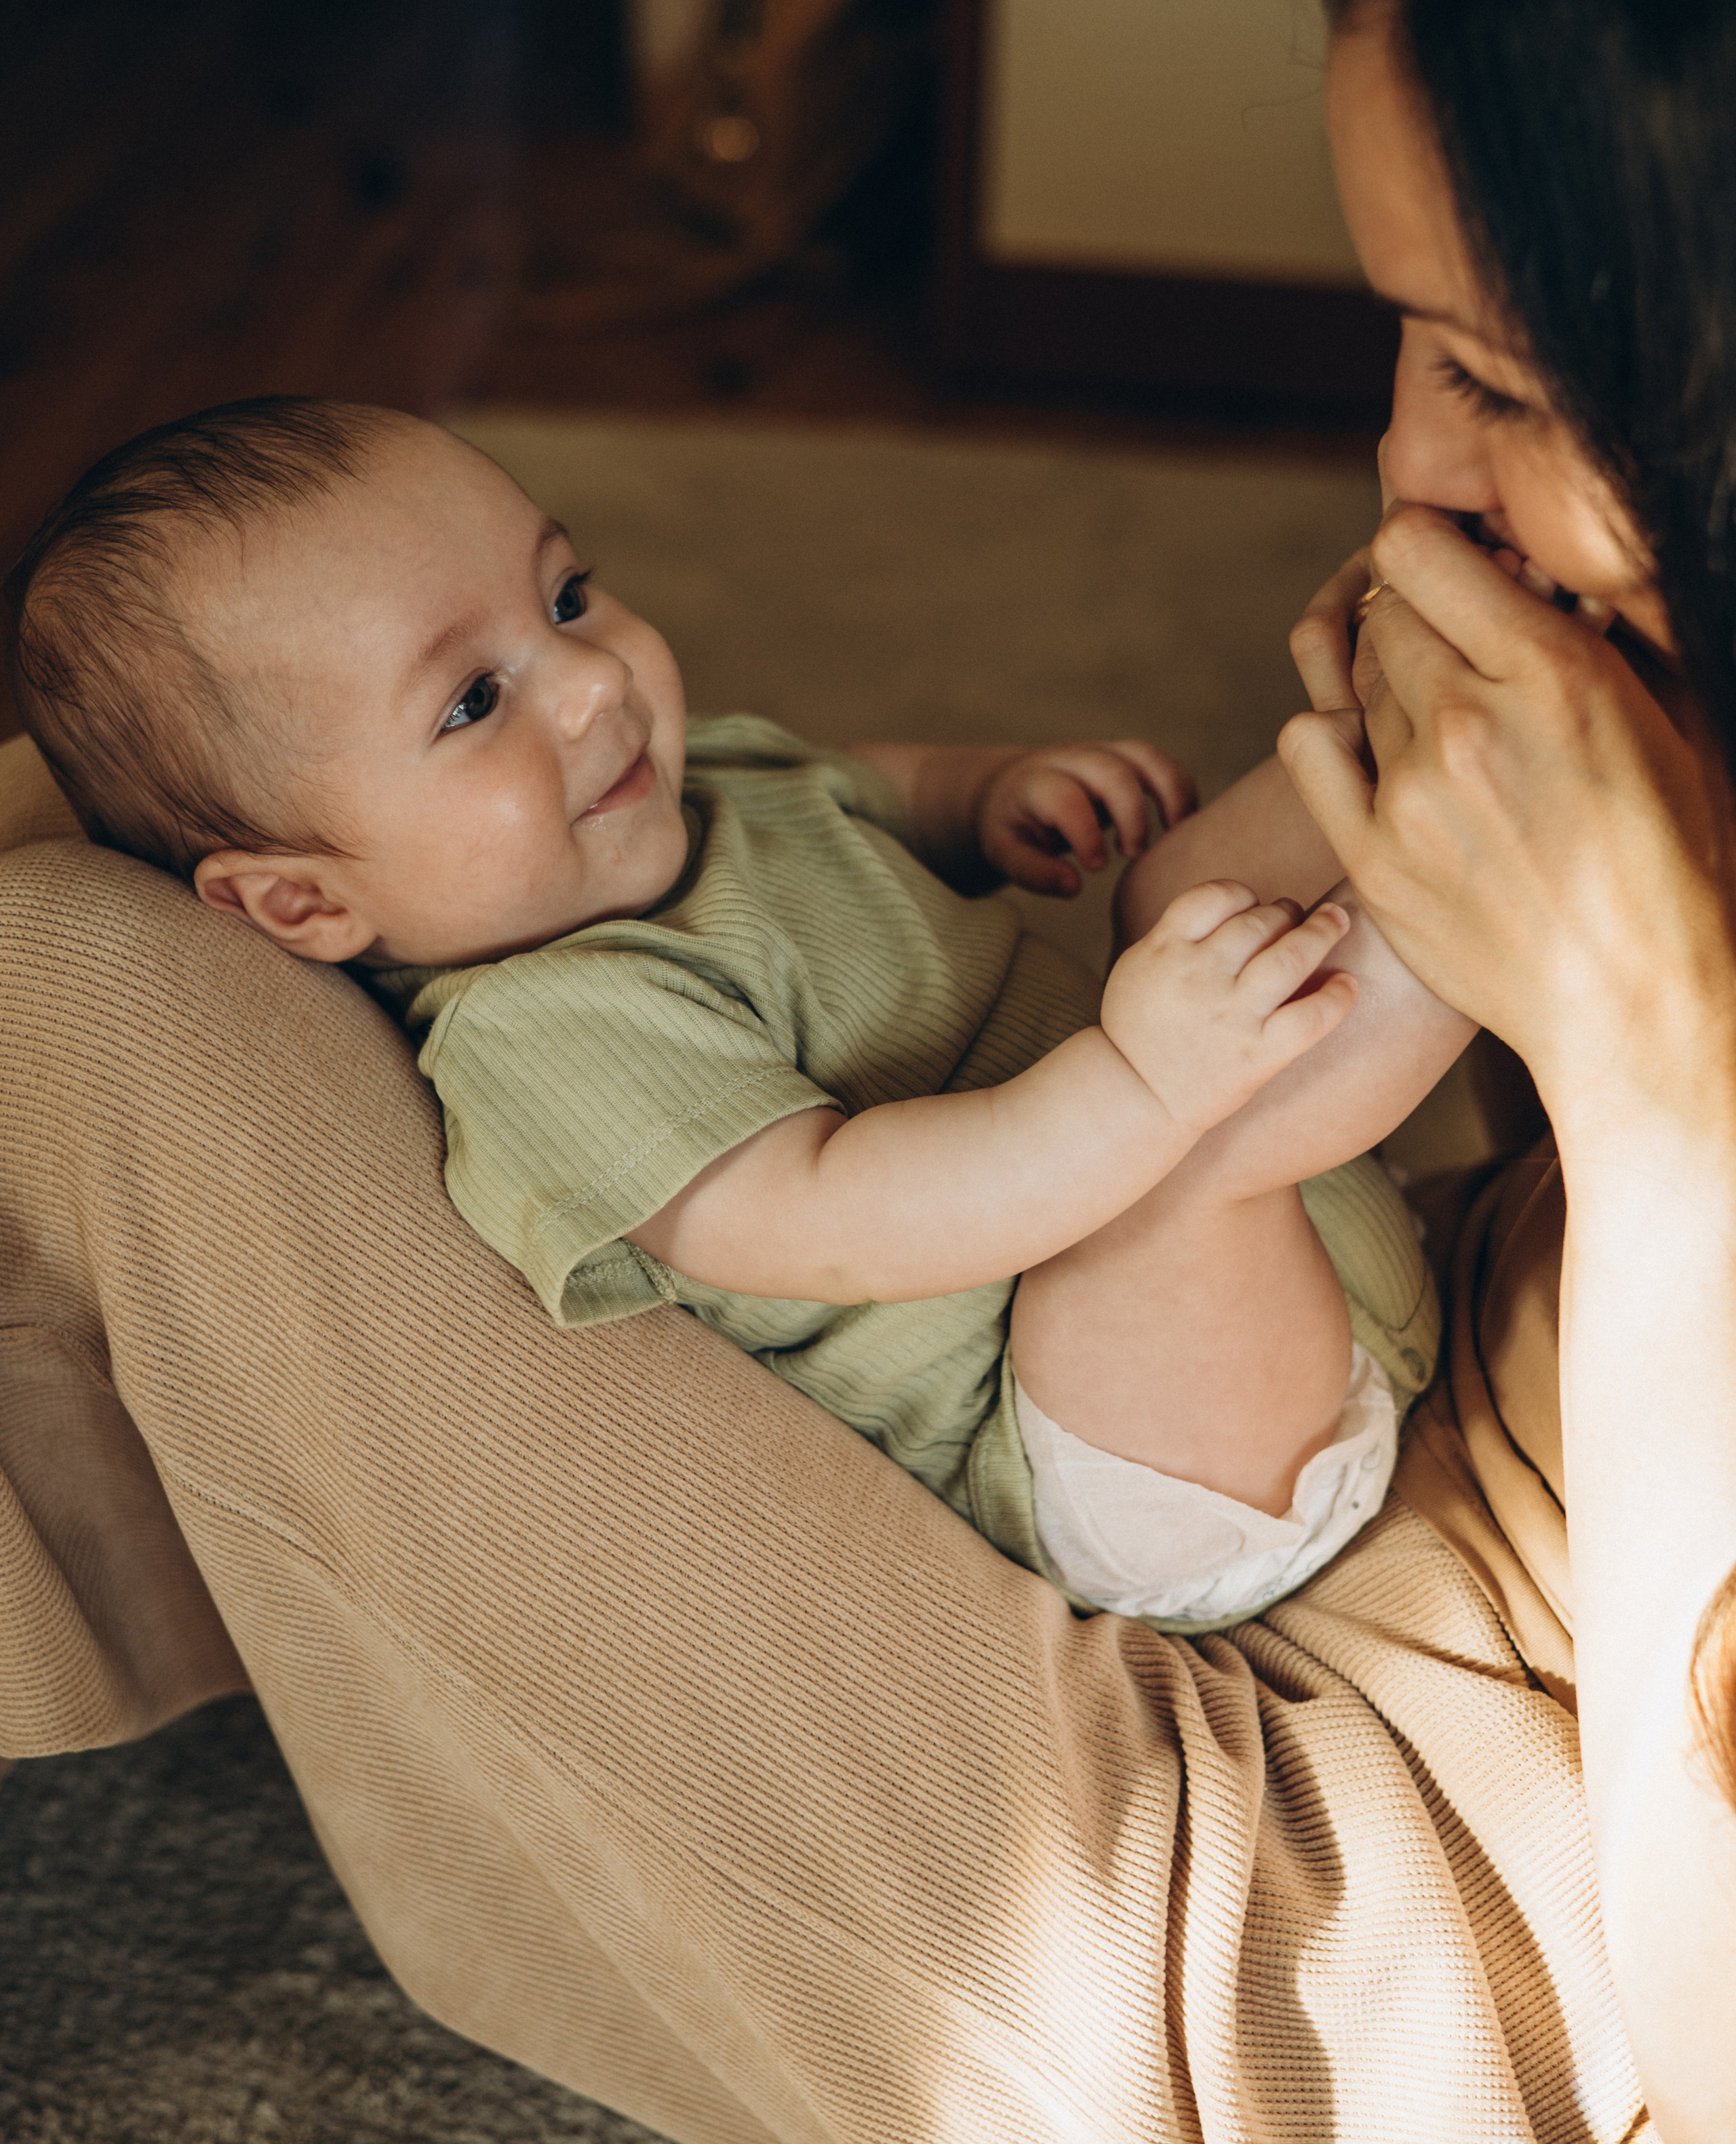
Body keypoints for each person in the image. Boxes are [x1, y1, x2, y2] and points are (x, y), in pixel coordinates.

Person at [2, 0, 1733, 2144]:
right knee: (83, 881)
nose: (1406, 464)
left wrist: (1647, 1073)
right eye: (1400, 344)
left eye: (1500, 375)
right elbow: (899, 847)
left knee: (71, 983)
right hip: (1478, 1386)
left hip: (1456, 1940)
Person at [0, 401, 1465, 1629]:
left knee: (1171, 891)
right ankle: (1494, 874)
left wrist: (991, 795)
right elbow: (836, 1214)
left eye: (565, 596)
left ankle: (1429, 707)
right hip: (1129, 1458)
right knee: (1200, 1160)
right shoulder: (548, 1035)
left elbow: (869, 794)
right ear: (308, 906)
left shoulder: (683, 794)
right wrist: (1147, 1091)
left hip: (1289, 1269)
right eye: (469, 704)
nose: (586, 684)